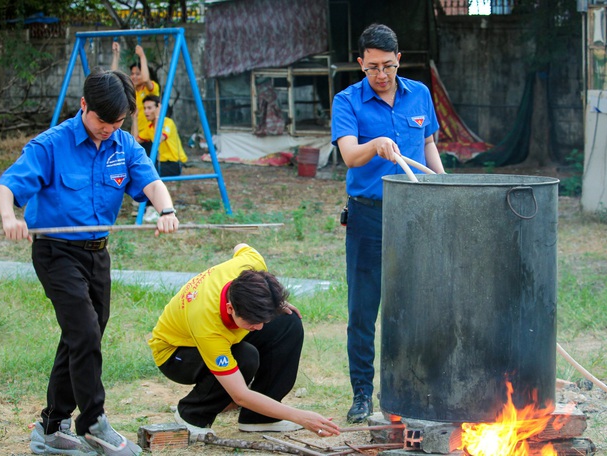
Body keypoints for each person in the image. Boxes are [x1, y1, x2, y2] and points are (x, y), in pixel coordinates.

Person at [0, 67, 180, 456]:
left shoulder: (124, 144)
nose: (108, 128)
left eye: (117, 121)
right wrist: (10, 217)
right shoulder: (51, 145)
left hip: (98, 254)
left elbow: (149, 181)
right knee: (84, 333)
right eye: (102, 120)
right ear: (83, 106)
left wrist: (166, 209)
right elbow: (7, 185)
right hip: (56, 252)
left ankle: (50, 427)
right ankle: (92, 423)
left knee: (82, 335)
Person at [330, 23, 446, 424]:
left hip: (416, 214)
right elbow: (349, 155)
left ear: (400, 60)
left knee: (418, 304)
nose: (381, 75)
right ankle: (362, 393)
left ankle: (417, 385)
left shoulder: (421, 95)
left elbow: (428, 144)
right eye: (373, 67)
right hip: (368, 215)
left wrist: (444, 187)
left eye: (388, 66)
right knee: (363, 310)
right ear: (361, 63)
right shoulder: (347, 101)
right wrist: (374, 146)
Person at [148, 243, 341, 439]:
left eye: (261, 320)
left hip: (222, 331)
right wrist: (301, 417)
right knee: (245, 357)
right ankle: (192, 415)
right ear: (231, 308)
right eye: (253, 322)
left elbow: (240, 246)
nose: (259, 327)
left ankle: (260, 418)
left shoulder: (251, 264)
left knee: (286, 321)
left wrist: (274, 302)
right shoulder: (207, 323)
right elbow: (239, 394)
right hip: (175, 354)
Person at [112, 41, 160, 156]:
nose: (134, 76)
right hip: (137, 134)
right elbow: (113, 77)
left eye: (137, 74)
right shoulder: (131, 90)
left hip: (150, 135)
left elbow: (145, 79)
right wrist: (116, 55)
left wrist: (142, 56)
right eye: (132, 74)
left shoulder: (151, 89)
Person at [133, 94, 188, 177]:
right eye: (144, 108)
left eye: (149, 108)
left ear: (158, 108)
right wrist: (134, 118)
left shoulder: (168, 122)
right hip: (160, 162)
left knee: (147, 172)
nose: (146, 111)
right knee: (139, 166)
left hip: (174, 163)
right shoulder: (150, 127)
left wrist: (158, 116)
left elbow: (158, 139)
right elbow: (134, 141)